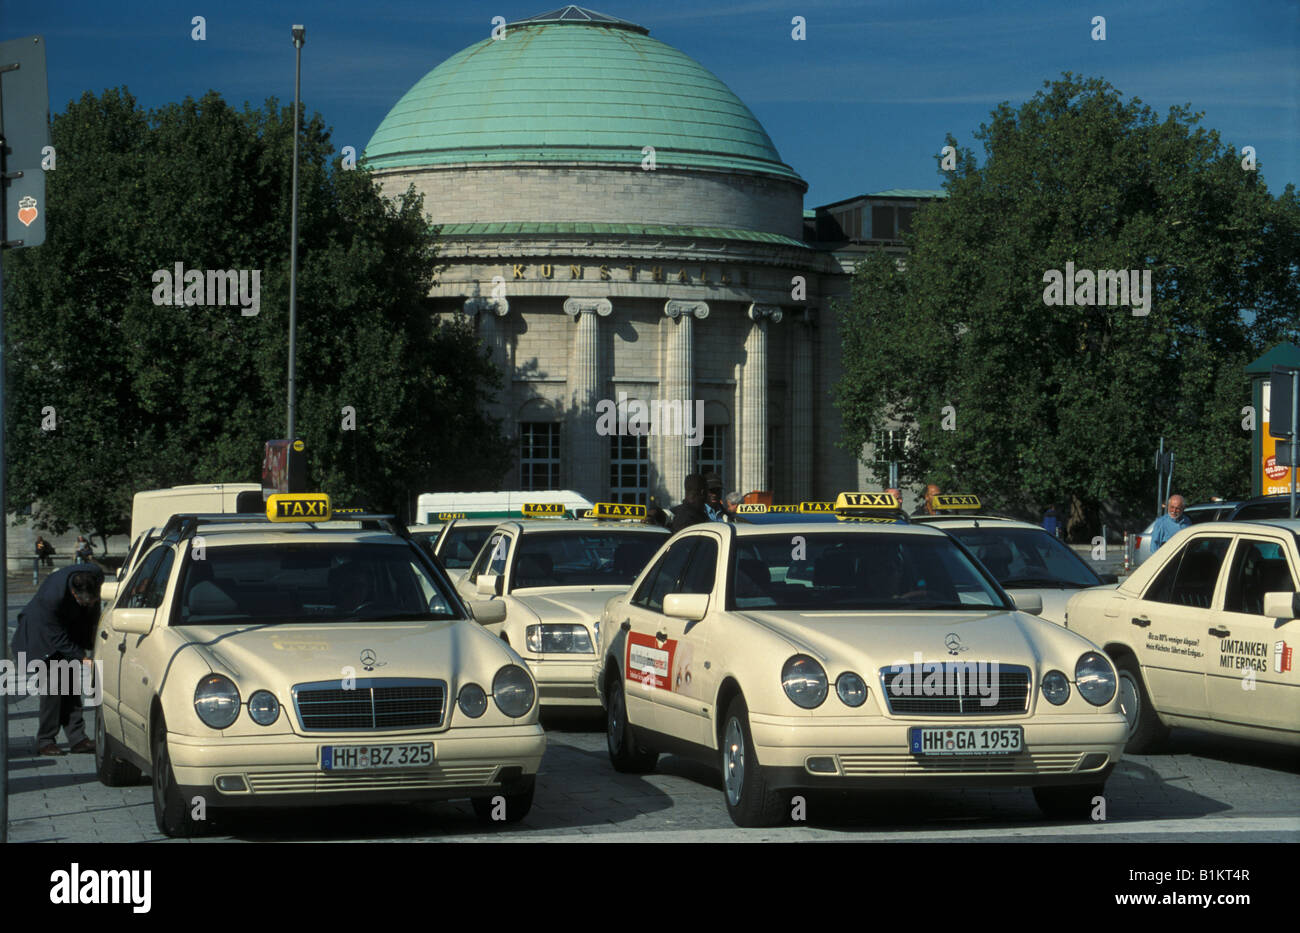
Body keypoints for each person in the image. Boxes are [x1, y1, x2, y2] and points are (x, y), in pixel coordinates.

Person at [11, 564, 104, 756]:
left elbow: (90, 613)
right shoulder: (51, 599)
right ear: (73, 592)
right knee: (53, 690)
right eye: (84, 601)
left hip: (69, 628)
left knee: (71, 687)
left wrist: (88, 642)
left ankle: (78, 738)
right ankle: (45, 740)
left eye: (92, 600)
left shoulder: (95, 575)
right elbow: (57, 637)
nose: (89, 604)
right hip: (42, 636)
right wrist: (83, 657)